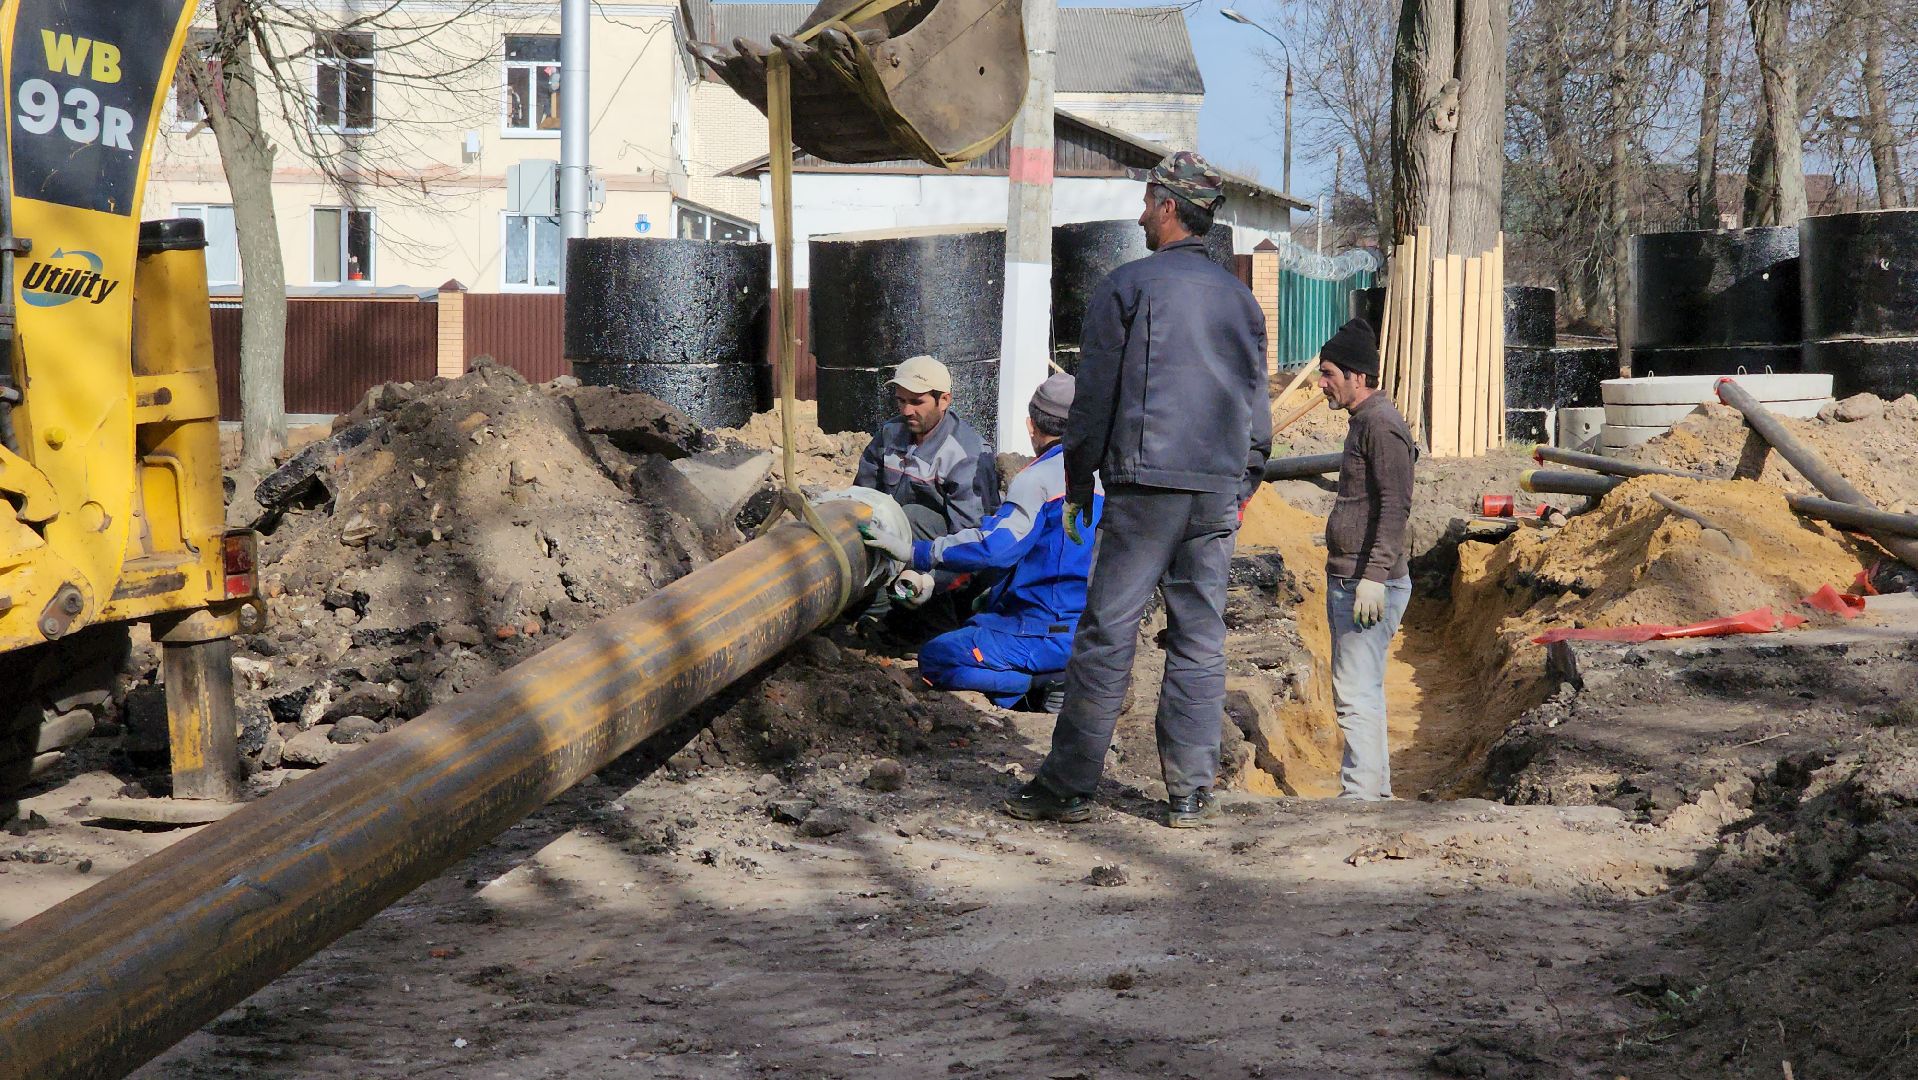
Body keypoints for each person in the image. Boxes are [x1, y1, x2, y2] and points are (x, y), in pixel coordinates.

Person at [1003, 151, 1272, 828]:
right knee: (1200, 636)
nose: (1140, 212)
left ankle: (1067, 785)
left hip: (1145, 484)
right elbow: (1254, 404)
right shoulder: (1240, 299)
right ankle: (1189, 792)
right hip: (1213, 488)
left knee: (1107, 631)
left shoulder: (1129, 287)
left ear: (1169, 206)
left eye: (1148, 199)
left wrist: (1076, 481)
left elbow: (1092, 401)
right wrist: (1244, 480)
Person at [862, 374, 1102, 711]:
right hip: (1086, 626)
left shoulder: (1039, 480)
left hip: (1039, 628)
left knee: (935, 658)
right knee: (978, 620)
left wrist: (918, 553)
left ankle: (1037, 684)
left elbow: (993, 547)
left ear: (1031, 426)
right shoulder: (1099, 473)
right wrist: (941, 582)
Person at [1316, 318, 1415, 800]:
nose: (1321, 383)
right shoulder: (1366, 421)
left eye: (1329, 372)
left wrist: (1373, 577)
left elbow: (1396, 503)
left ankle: (1359, 799)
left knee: (1355, 694)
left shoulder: (1381, 424)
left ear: (1358, 376)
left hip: (1365, 585)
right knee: (1364, 691)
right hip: (1356, 578)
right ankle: (1374, 795)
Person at [852, 355, 1000, 634]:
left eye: (917, 402)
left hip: (950, 567)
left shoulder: (966, 453)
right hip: (895, 552)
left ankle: (932, 627)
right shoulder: (890, 434)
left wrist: (931, 582)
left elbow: (971, 538)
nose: (906, 410)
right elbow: (862, 497)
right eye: (900, 401)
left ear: (944, 400)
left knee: (911, 517)